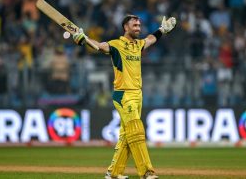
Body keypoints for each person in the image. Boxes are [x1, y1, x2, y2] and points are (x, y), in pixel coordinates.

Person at [73, 14, 176, 179]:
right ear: (125, 27)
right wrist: (84, 39)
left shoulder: (138, 45)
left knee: (127, 135)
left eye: (139, 25)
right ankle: (147, 172)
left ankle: (113, 173)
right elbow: (99, 46)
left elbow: (150, 39)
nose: (138, 28)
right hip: (123, 94)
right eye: (134, 25)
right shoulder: (116, 44)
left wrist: (162, 30)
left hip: (138, 94)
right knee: (136, 130)